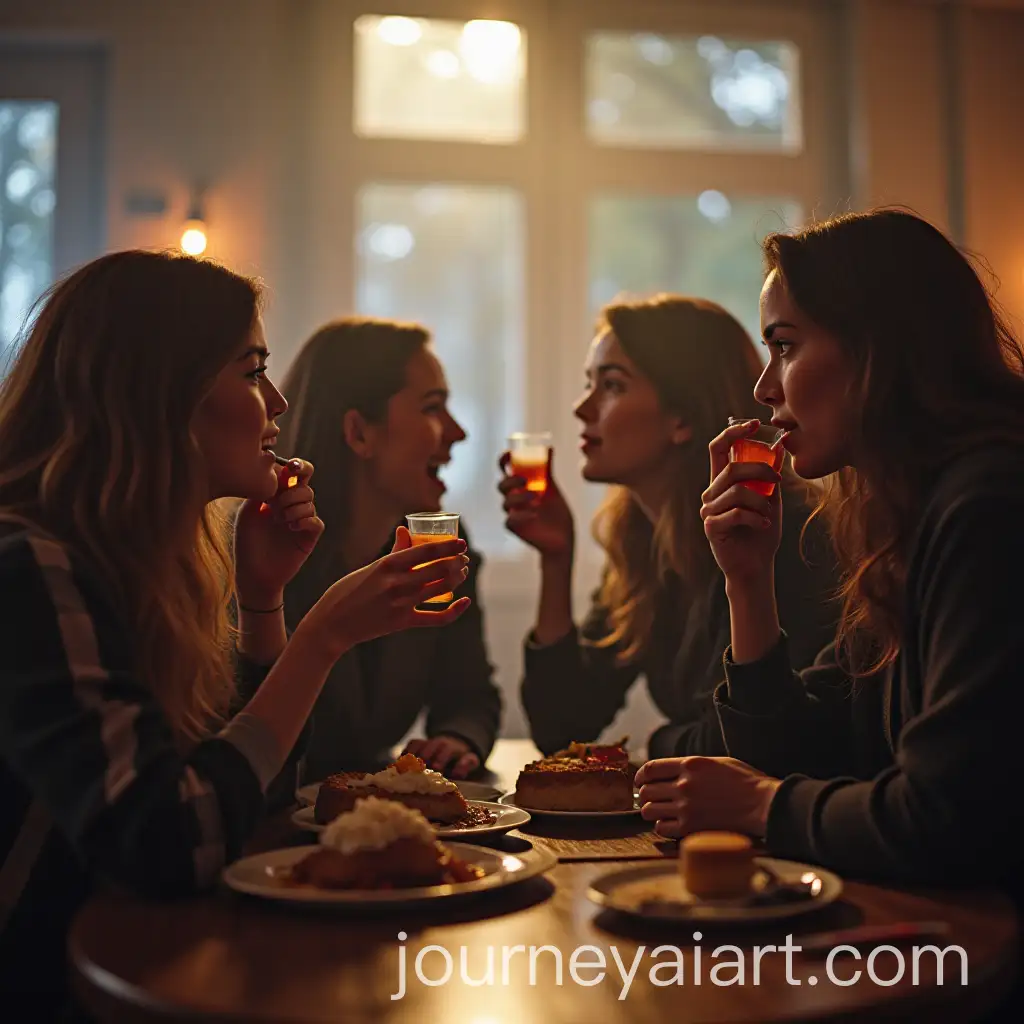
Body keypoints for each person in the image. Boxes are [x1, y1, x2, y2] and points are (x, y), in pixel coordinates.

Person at [0, 252, 469, 1011]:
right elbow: (171, 844)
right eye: (252, 372)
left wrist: (263, 601)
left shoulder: (131, 570)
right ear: (161, 393)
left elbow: (250, 797)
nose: (277, 401)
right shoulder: (31, 569)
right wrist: (320, 640)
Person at [635, 209, 1024, 922]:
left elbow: (950, 817)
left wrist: (760, 803)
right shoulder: (906, 521)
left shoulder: (990, 506)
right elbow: (799, 749)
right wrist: (748, 582)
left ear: (881, 348)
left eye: (784, 346)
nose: (764, 388)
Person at [500, 295, 839, 758]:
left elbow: (745, 741)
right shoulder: (643, 538)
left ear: (682, 417)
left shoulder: (772, 530)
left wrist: (658, 741)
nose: (582, 408)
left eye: (611, 386)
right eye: (588, 384)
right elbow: (562, 725)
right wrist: (556, 560)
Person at [277, 318, 501, 782]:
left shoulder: (438, 548)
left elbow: (470, 696)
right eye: (432, 408)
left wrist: (457, 739)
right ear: (359, 432)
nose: (457, 432)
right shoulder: (267, 557)